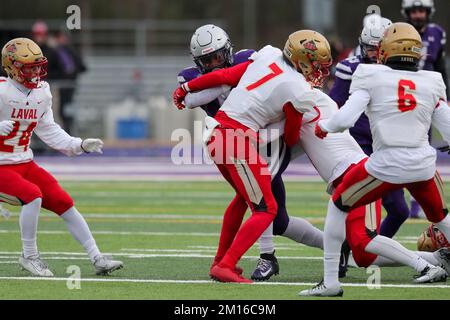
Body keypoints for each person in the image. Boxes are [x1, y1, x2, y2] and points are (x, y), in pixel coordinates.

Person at [176, 29, 450, 291]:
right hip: (354, 170)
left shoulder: (271, 59)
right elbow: (292, 131)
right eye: (315, 64)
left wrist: (187, 89)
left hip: (350, 171)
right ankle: (432, 262)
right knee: (350, 245)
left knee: (358, 241)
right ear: (300, 60)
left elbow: (228, 78)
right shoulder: (300, 92)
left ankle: (426, 263)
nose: (319, 71)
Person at [301, 22, 450, 297]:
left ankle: (331, 282)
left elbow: (345, 118)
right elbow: (448, 126)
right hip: (423, 166)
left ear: (385, 51)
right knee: (441, 218)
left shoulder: (370, 75)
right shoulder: (431, 80)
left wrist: (325, 127)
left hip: (386, 165)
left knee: (338, 205)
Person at [176, 25, 324, 281]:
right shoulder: (265, 62)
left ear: (228, 50)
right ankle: (259, 258)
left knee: (268, 212)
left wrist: (193, 87)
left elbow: (217, 84)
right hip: (239, 140)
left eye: (218, 57)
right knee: (264, 208)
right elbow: (199, 95)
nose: (213, 64)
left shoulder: (258, 59)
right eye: (207, 61)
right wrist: (194, 87)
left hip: (263, 139)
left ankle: (334, 247)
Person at [0, 38, 123, 276]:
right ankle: (29, 256)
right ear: (12, 66)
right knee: (32, 195)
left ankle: (97, 257)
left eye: (38, 65)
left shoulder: (42, 93)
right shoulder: (2, 91)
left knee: (64, 203)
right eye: (30, 67)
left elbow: (49, 130)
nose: (36, 71)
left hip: (24, 162)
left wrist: (79, 145)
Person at [401, 0, 450, 218]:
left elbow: (440, 67)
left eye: (422, 11)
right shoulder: (397, 31)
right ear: (407, 13)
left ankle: (415, 204)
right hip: (399, 96)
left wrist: (445, 97)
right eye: (415, 11)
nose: (419, 15)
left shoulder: (437, 33)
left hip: (426, 97)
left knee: (423, 148)